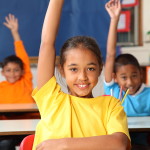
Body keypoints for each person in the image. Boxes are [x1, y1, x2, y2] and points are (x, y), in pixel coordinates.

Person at [32, 0, 131, 150]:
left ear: (100, 69)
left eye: (90, 68)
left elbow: (120, 143)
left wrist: (63, 144)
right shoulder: (51, 100)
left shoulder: (111, 106)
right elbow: (46, 43)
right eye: (73, 69)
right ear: (61, 70)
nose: (83, 76)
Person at [104, 0, 150, 148]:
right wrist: (114, 19)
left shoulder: (148, 94)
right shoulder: (113, 91)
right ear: (114, 77)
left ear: (141, 75)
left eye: (134, 75)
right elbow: (110, 55)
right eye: (124, 77)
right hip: (117, 143)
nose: (130, 82)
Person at [0, 13, 34, 104]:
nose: (12, 73)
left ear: (22, 71)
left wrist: (14, 32)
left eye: (16, 70)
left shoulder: (25, 82)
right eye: (8, 70)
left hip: (28, 117)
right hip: (6, 118)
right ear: (2, 72)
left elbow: (23, 56)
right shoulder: (1, 87)